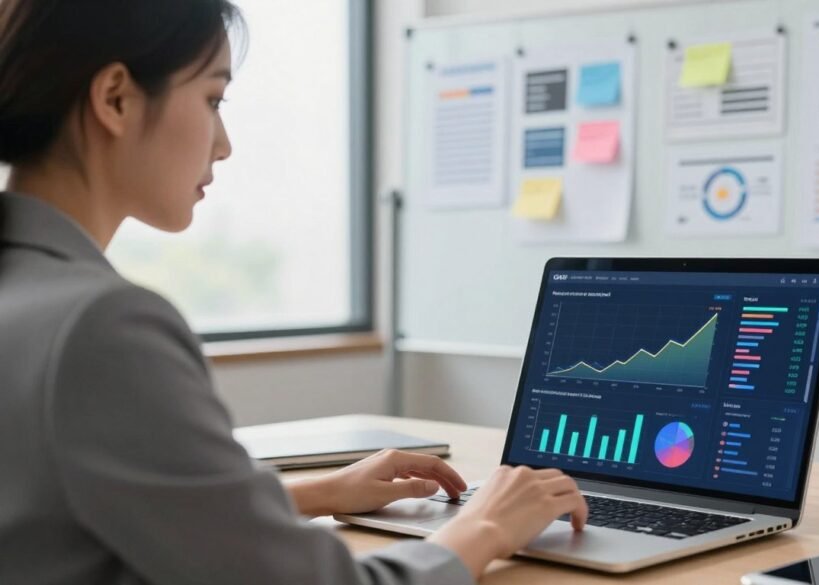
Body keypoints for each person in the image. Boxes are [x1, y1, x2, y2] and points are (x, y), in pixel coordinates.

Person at [0, 1, 588, 584]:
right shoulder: (100, 328)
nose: (223, 143)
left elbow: (78, 508)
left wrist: (317, 492)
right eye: (212, 99)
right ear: (115, 99)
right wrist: (484, 525)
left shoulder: (27, 295)